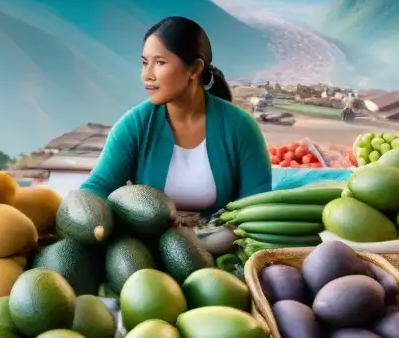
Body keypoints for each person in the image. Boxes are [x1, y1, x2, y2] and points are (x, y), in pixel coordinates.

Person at [81, 16, 272, 215]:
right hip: (147, 244)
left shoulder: (240, 127)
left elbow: (257, 203)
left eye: (160, 62)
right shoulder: (135, 126)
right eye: (145, 63)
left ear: (195, 69)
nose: (147, 75)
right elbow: (96, 188)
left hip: (222, 241)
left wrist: (221, 235)